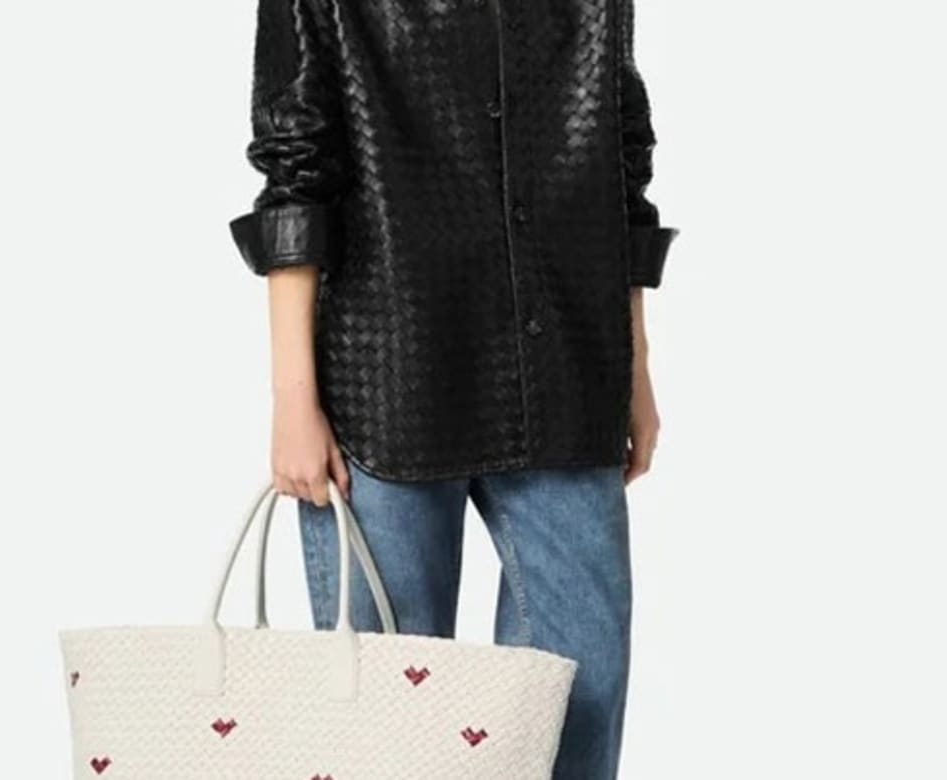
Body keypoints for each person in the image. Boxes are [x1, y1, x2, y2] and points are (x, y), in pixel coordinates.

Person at [228, 1, 679, 776]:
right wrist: (293, 400)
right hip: (386, 380)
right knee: (389, 727)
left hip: (565, 373)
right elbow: (296, 166)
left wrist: (634, 364)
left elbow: (622, 156)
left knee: (584, 694)